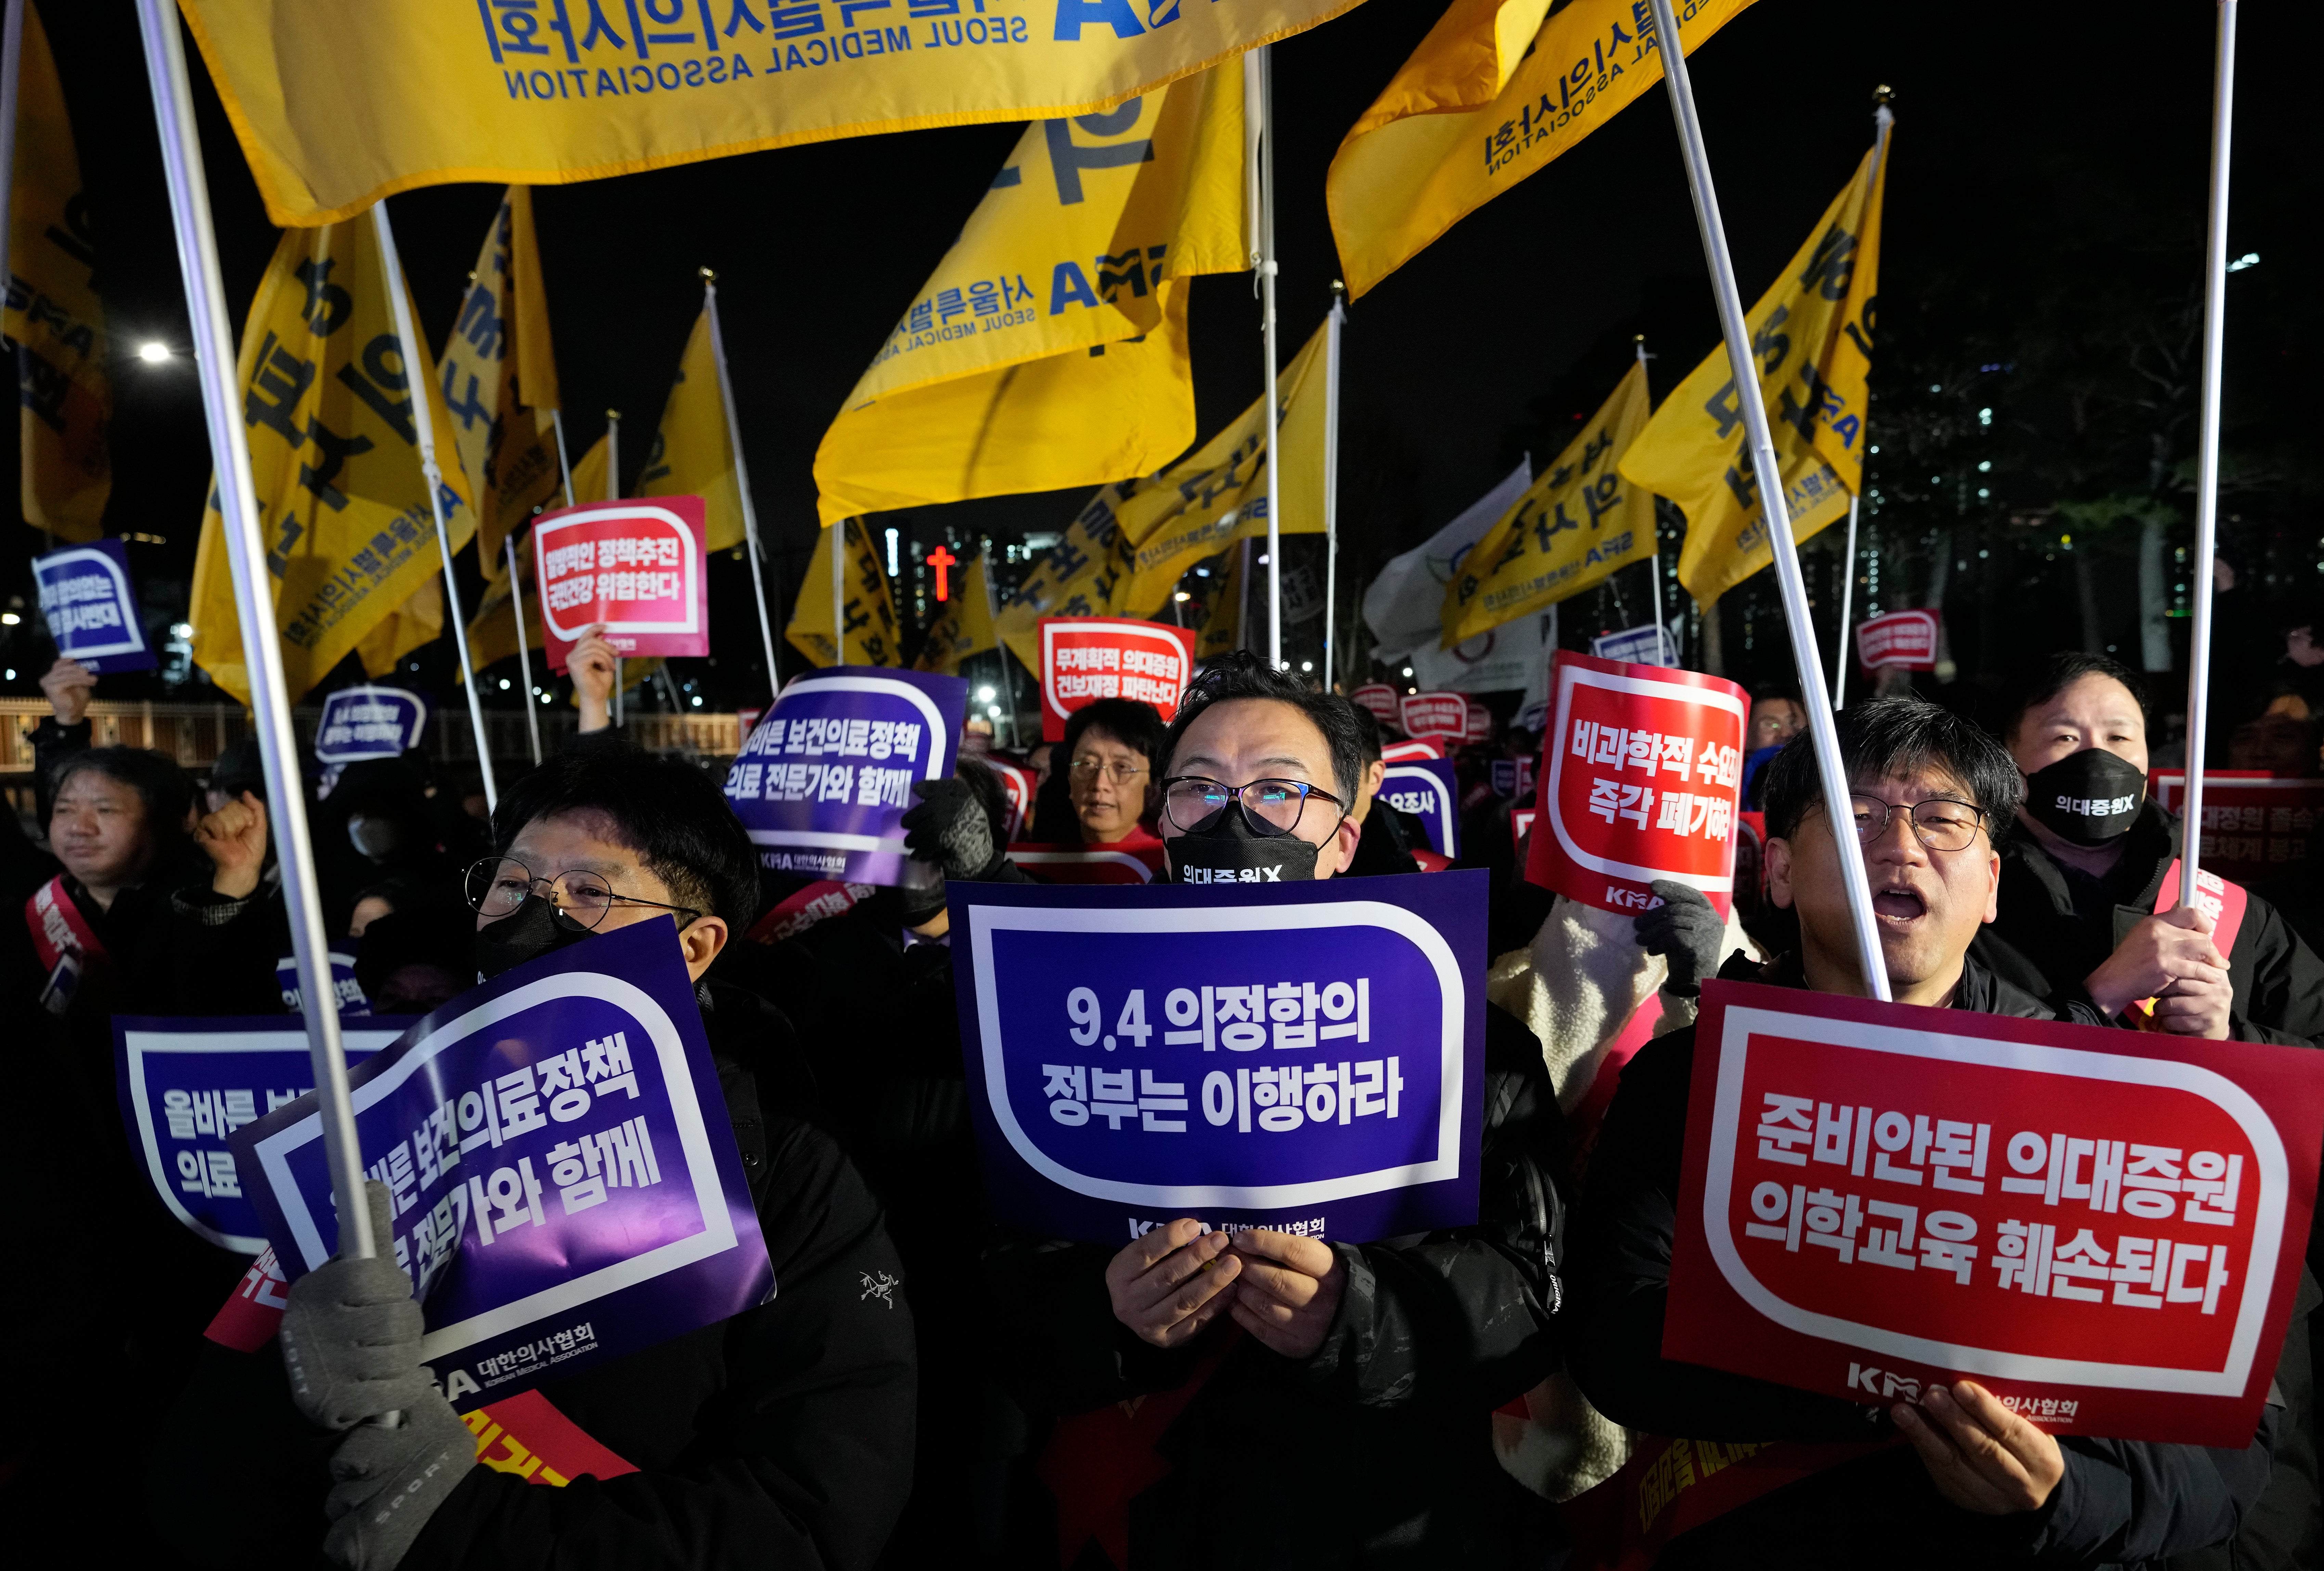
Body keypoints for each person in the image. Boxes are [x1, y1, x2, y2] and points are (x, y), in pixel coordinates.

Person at [1567, 698, 2308, 1566]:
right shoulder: (1691, 1082)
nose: (1901, 844)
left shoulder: (2136, 1102)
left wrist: (2064, 1491)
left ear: (1991, 882)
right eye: (1859, 816)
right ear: (1774, 870)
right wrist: (1893, 1385)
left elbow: (2233, 1432)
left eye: (1943, 818)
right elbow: (1616, 1342)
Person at [153, 737, 919, 1571]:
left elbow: (813, 1515)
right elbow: (194, 1474)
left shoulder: (791, 1179)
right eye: (511, 883)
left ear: (694, 946)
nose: (528, 917)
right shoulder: (380, 1135)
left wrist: (467, 1517)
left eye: (588, 890)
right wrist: (294, 1397)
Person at [988, 652, 1570, 1567]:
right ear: (1166, 815)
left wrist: (1360, 1310)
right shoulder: (1068, 1011)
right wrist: (1108, 1311)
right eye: (1199, 785)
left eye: (1279, 787)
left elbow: (1531, 1292)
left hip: (1387, 1517)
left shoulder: (1458, 1023)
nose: (1235, 812)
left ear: (1344, 833)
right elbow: (997, 1290)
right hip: (1149, 1510)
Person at [1975, 651, 2324, 1048]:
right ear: (2007, 762)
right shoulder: (1965, 906)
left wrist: (2230, 1037)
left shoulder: (2227, 913)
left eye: (2119, 737)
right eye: (2065, 737)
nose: (2098, 758)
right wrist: (2099, 997)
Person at [1739, 685, 1806, 808]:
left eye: (1793, 723)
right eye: (1771, 725)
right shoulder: (1733, 792)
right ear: (1746, 738)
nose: (1785, 734)